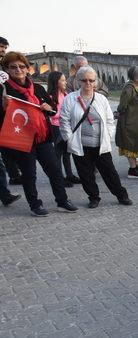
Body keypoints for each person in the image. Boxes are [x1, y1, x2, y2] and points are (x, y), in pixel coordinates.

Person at [0, 51, 77, 216]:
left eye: (22, 66)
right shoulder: (3, 90)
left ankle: (62, 201)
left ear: (27, 69)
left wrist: (49, 109)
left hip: (43, 137)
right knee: (29, 175)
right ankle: (35, 205)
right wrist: (3, 106)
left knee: (55, 171)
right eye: (13, 67)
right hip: (23, 139)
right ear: (7, 70)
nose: (18, 70)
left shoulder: (38, 88)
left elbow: (54, 108)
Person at [59, 66, 132, 208]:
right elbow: (64, 121)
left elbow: (110, 120)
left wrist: (108, 135)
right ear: (78, 81)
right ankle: (93, 197)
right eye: (84, 80)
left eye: (91, 80)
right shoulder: (70, 99)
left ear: (96, 82)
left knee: (110, 173)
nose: (88, 83)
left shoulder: (101, 99)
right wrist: (69, 139)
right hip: (80, 144)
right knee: (86, 174)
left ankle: (121, 195)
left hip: (100, 144)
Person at [47, 71, 81, 187]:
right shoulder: (51, 97)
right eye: (62, 80)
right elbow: (53, 114)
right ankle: (59, 177)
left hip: (66, 126)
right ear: (56, 82)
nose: (65, 82)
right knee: (58, 153)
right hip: (56, 127)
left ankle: (69, 175)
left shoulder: (65, 94)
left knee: (67, 152)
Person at [115, 66, 138, 179]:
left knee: (134, 144)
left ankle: (135, 167)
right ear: (136, 77)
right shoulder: (129, 88)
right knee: (130, 145)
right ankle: (132, 170)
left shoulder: (135, 87)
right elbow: (122, 106)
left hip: (135, 122)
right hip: (129, 123)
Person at [0, 36, 23, 186]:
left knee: (7, 145)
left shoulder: (5, 66)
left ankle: (14, 174)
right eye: (1, 47)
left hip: (7, 111)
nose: (2, 50)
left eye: (4, 48)